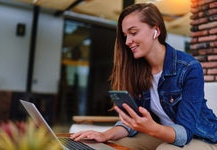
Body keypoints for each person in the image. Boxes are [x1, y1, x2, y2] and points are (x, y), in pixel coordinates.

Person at [70, 3, 217, 150]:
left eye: (133, 33)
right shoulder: (138, 70)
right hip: (161, 132)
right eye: (125, 35)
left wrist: (151, 128)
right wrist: (105, 135)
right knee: (116, 145)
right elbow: (131, 121)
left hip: (201, 137)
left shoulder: (189, 67)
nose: (127, 42)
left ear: (156, 30)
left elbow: (185, 133)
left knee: (166, 149)